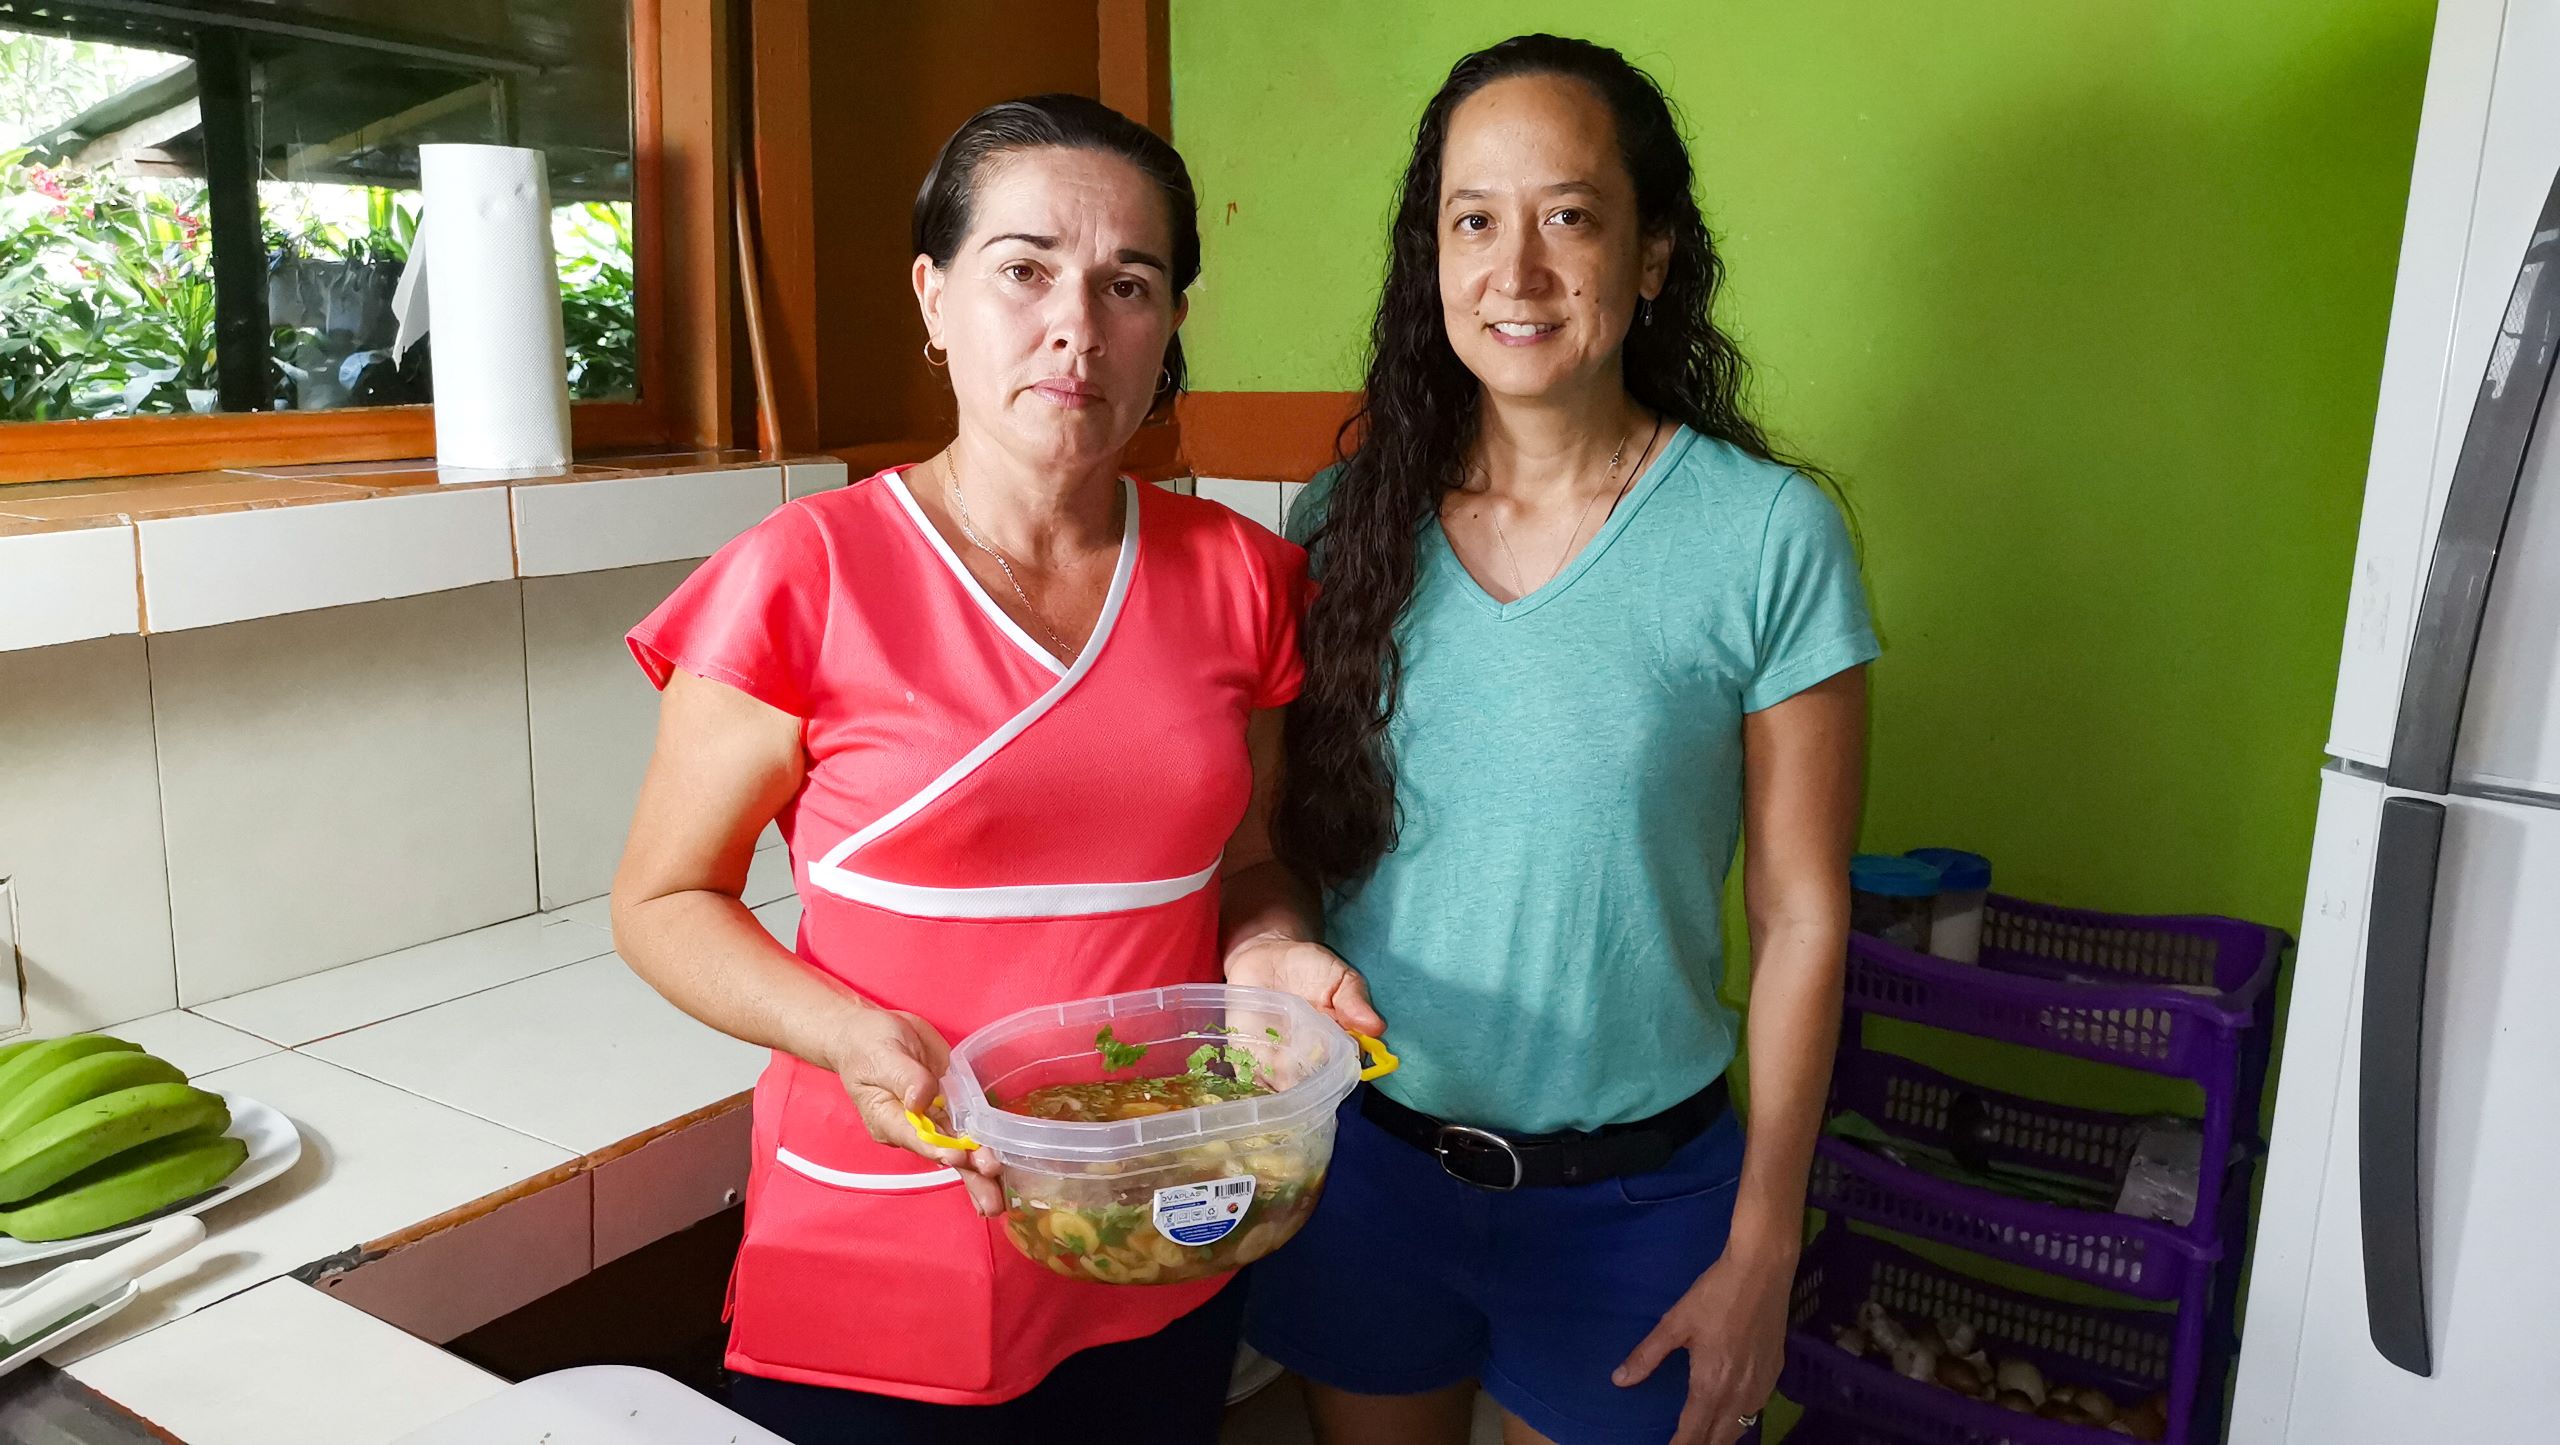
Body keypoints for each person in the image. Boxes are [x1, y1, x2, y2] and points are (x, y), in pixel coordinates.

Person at [608, 93, 1379, 1445]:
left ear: (1170, 326)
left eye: (1128, 282)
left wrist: (1269, 957)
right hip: (889, 1228)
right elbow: (664, 899)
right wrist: (842, 1032)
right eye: (1023, 268)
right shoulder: (803, 575)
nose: (1076, 324)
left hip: (1155, 1211)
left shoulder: (1243, 579)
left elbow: (1251, 860)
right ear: (935, 298)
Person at [1243, 35, 1876, 1445]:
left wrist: (1766, 1244)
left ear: (1651, 257)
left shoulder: (1769, 537)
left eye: (1570, 216)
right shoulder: (1345, 524)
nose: (1515, 268)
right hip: (1369, 1176)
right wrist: (1266, 950)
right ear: (1434, 257)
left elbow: (1800, 914)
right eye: (1475, 219)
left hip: (1639, 1213)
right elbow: (1279, 848)